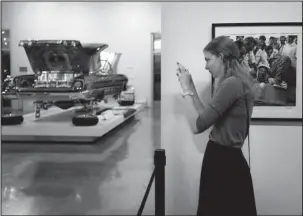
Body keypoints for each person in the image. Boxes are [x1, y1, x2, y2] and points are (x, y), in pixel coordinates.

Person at [176, 36, 257, 216]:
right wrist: (191, 87)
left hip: (222, 162)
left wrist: (185, 90)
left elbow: (197, 126)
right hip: (228, 159)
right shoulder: (235, 81)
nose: (206, 66)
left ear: (221, 57)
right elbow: (206, 116)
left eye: (208, 59)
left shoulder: (231, 83)